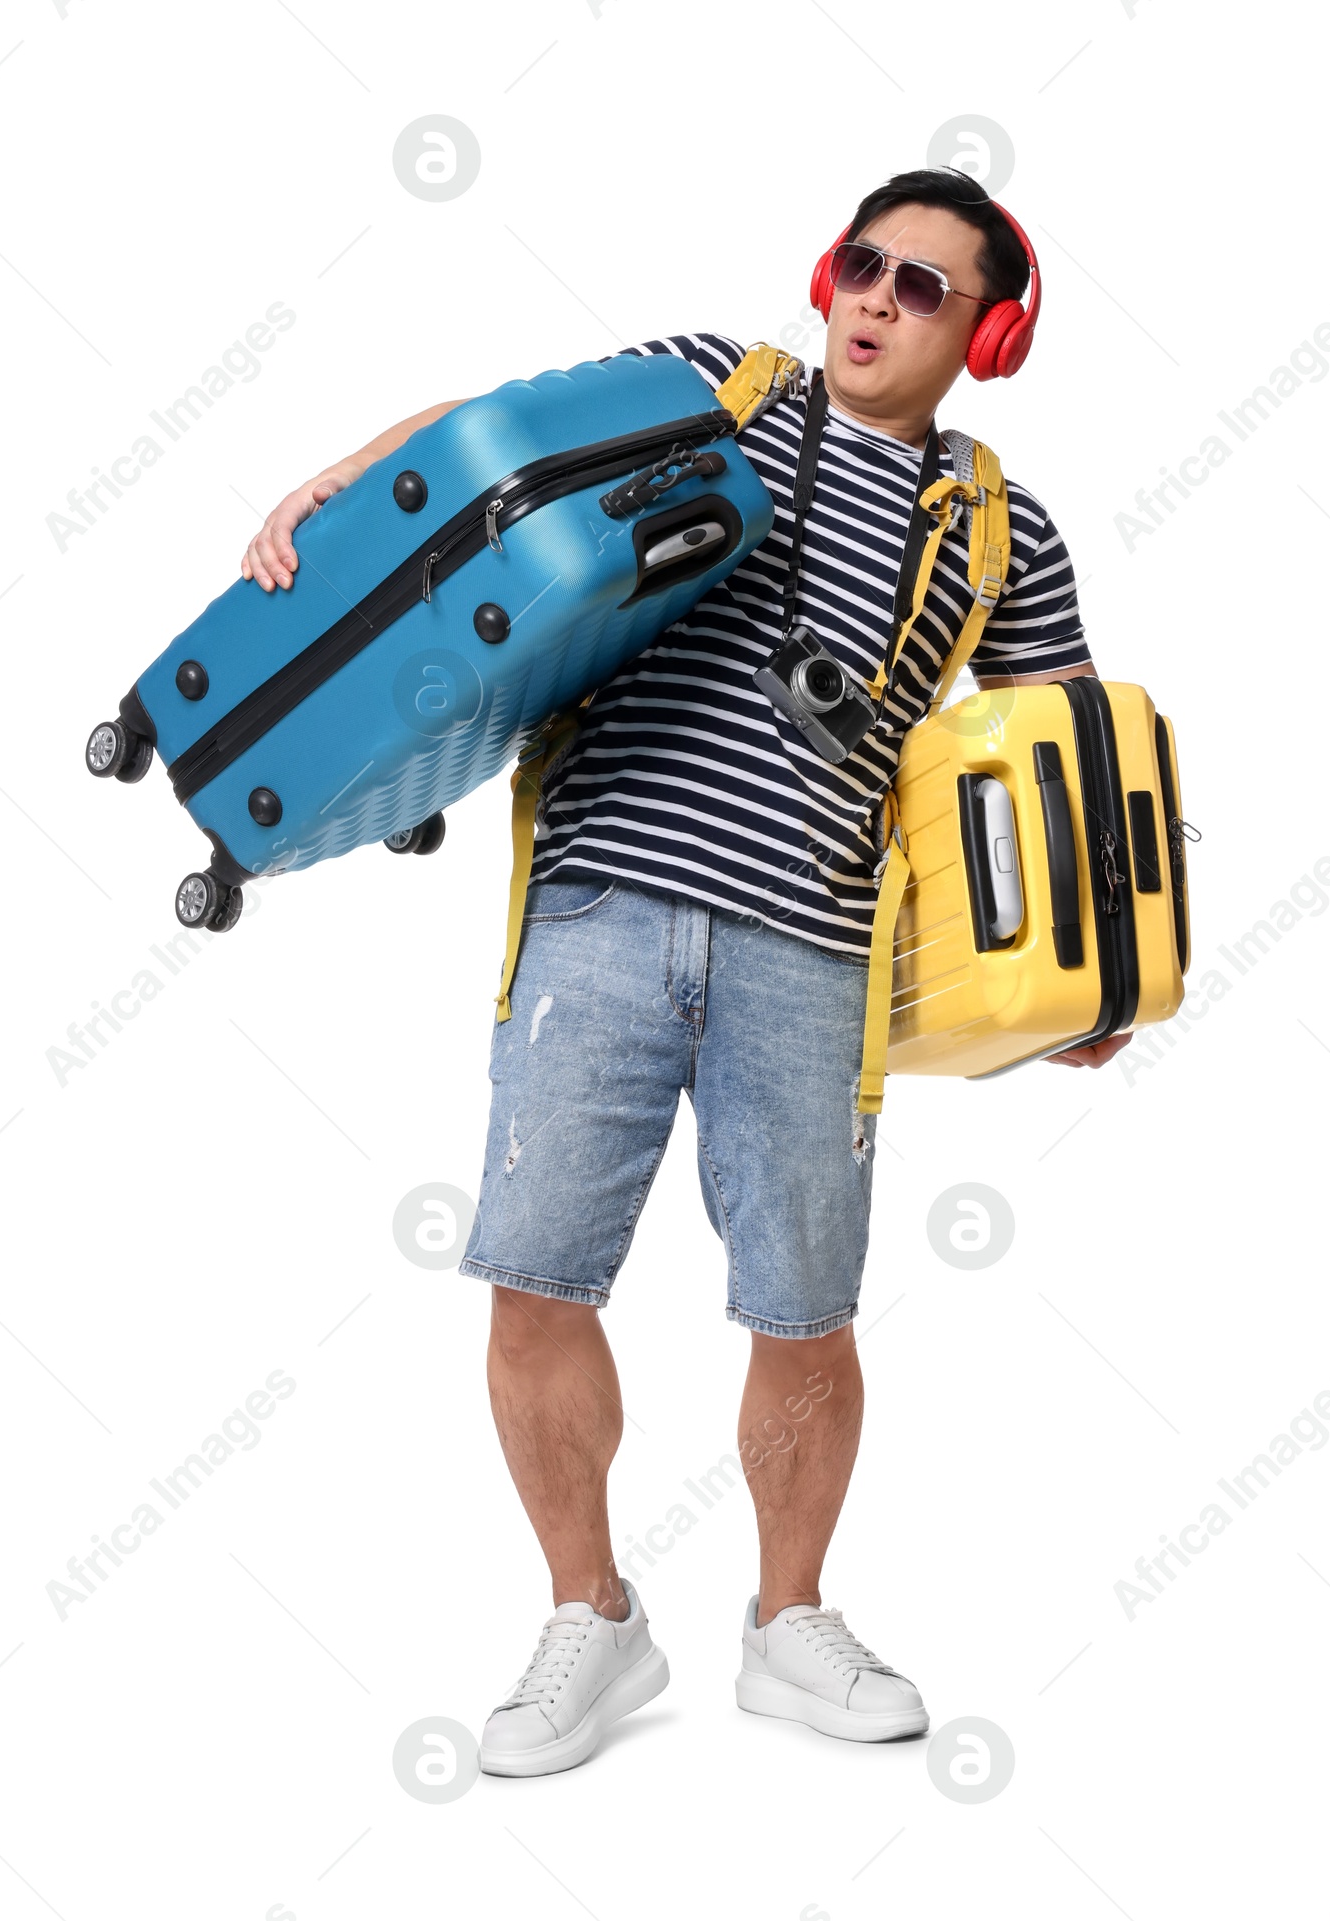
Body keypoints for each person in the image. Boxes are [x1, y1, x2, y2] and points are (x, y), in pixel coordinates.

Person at [241, 167, 1132, 1778]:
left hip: (816, 942)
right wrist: (333, 483)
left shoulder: (1006, 529)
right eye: (861, 264)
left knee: (805, 1309)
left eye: (921, 286)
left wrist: (1091, 979)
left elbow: (1063, 749)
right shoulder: (716, 385)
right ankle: (591, 1613)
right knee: (534, 1276)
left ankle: (789, 1622)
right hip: (600, 907)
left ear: (987, 335)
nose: (872, 299)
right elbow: (495, 428)